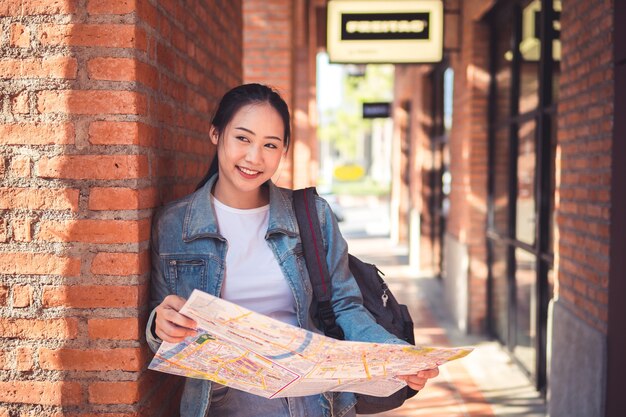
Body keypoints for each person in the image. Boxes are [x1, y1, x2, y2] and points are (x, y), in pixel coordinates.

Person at [146, 83, 439, 417]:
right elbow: (161, 317)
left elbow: (345, 307)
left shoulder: (312, 215)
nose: (254, 157)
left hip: (315, 402)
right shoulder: (173, 224)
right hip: (222, 404)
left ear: (283, 149)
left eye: (270, 145)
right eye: (243, 138)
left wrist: (395, 354)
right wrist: (162, 324)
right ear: (216, 134)